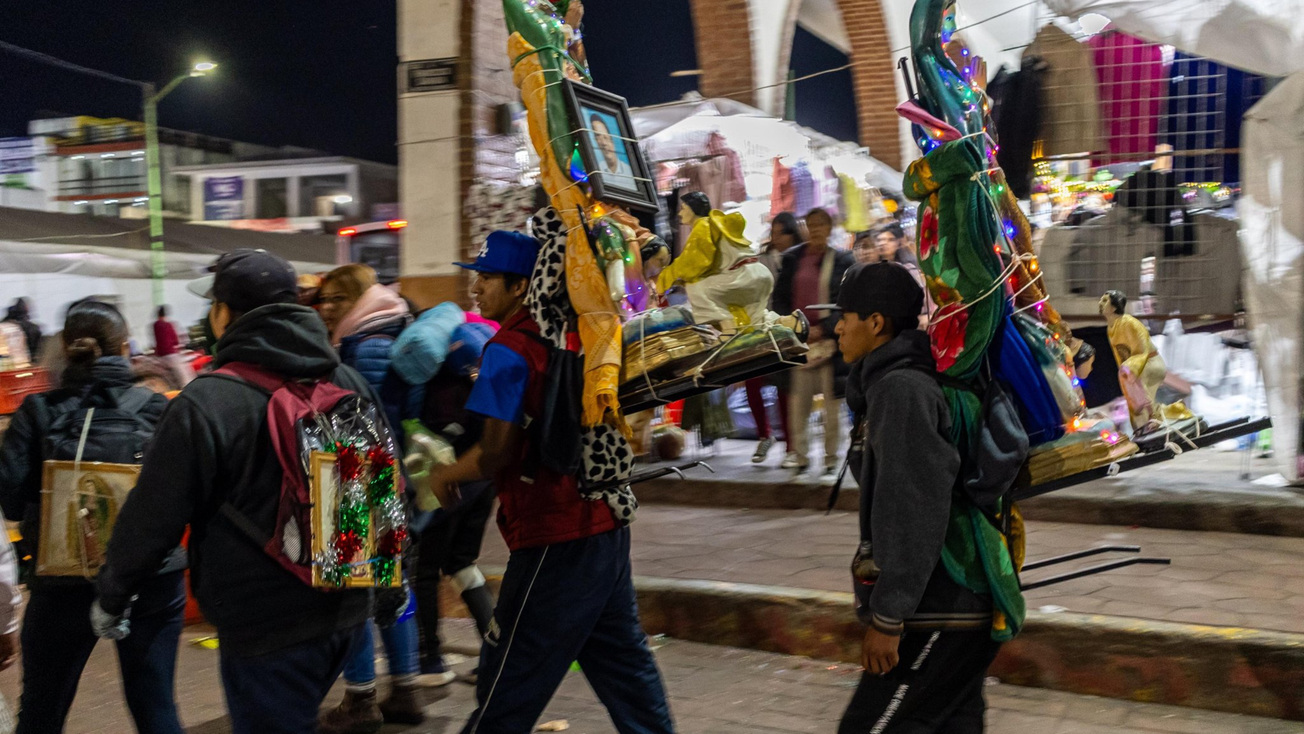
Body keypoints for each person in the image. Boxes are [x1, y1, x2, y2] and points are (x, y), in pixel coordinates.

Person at [92, 249, 375, 734]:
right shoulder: (346, 378)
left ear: (224, 314)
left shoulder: (208, 400)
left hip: (266, 624)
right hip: (348, 607)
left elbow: (153, 515)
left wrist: (113, 595)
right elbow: (386, 489)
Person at [423, 230, 674, 734]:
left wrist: (448, 471)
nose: (476, 288)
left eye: (489, 278)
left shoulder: (508, 348)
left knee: (509, 677)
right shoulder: (578, 333)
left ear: (521, 287)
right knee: (623, 665)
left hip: (555, 535)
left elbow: (496, 451)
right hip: (604, 521)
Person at [833, 262, 1002, 733]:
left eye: (847, 315)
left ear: (877, 322)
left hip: (940, 603)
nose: (838, 326)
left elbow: (912, 508)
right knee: (954, 723)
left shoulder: (901, 390)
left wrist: (888, 617)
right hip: (957, 601)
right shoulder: (894, 382)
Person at [0, 300, 182, 734]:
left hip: (62, 579)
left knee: (43, 709)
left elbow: (8, 500)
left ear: (65, 347)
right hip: (150, 578)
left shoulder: (37, 413)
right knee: (155, 705)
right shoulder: (159, 410)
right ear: (125, 347)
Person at [316, 263, 425, 733]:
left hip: (359, 474)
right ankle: (406, 688)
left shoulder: (365, 343)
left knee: (355, 588)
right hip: (388, 472)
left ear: (355, 298)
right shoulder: (388, 328)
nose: (325, 309)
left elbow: (359, 415)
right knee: (392, 583)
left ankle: (360, 697)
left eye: (334, 299)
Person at [409, 319, 498, 686]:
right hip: (482, 485)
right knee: (462, 564)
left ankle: (430, 660)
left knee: (425, 570)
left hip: (449, 489)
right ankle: (495, 655)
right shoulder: (481, 381)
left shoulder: (441, 385)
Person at [772, 207, 855, 477]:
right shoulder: (793, 259)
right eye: (812, 223)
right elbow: (781, 299)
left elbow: (846, 303)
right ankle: (800, 456)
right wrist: (794, 328)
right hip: (799, 342)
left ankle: (831, 459)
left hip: (830, 344)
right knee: (799, 404)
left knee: (833, 407)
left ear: (830, 228)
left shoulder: (843, 261)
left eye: (822, 224)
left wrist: (825, 328)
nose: (817, 228)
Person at [745, 212, 801, 464]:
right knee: (752, 381)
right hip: (762, 328)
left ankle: (791, 446)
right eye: (774, 232)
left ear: (792, 233)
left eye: (781, 232)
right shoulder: (762, 257)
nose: (776, 237)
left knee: (784, 389)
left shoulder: (801, 257)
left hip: (790, 329)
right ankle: (764, 435)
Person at [589, 113, 637, 190]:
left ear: (612, 139)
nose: (604, 143)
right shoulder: (596, 172)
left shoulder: (631, 172)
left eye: (605, 137)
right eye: (598, 136)